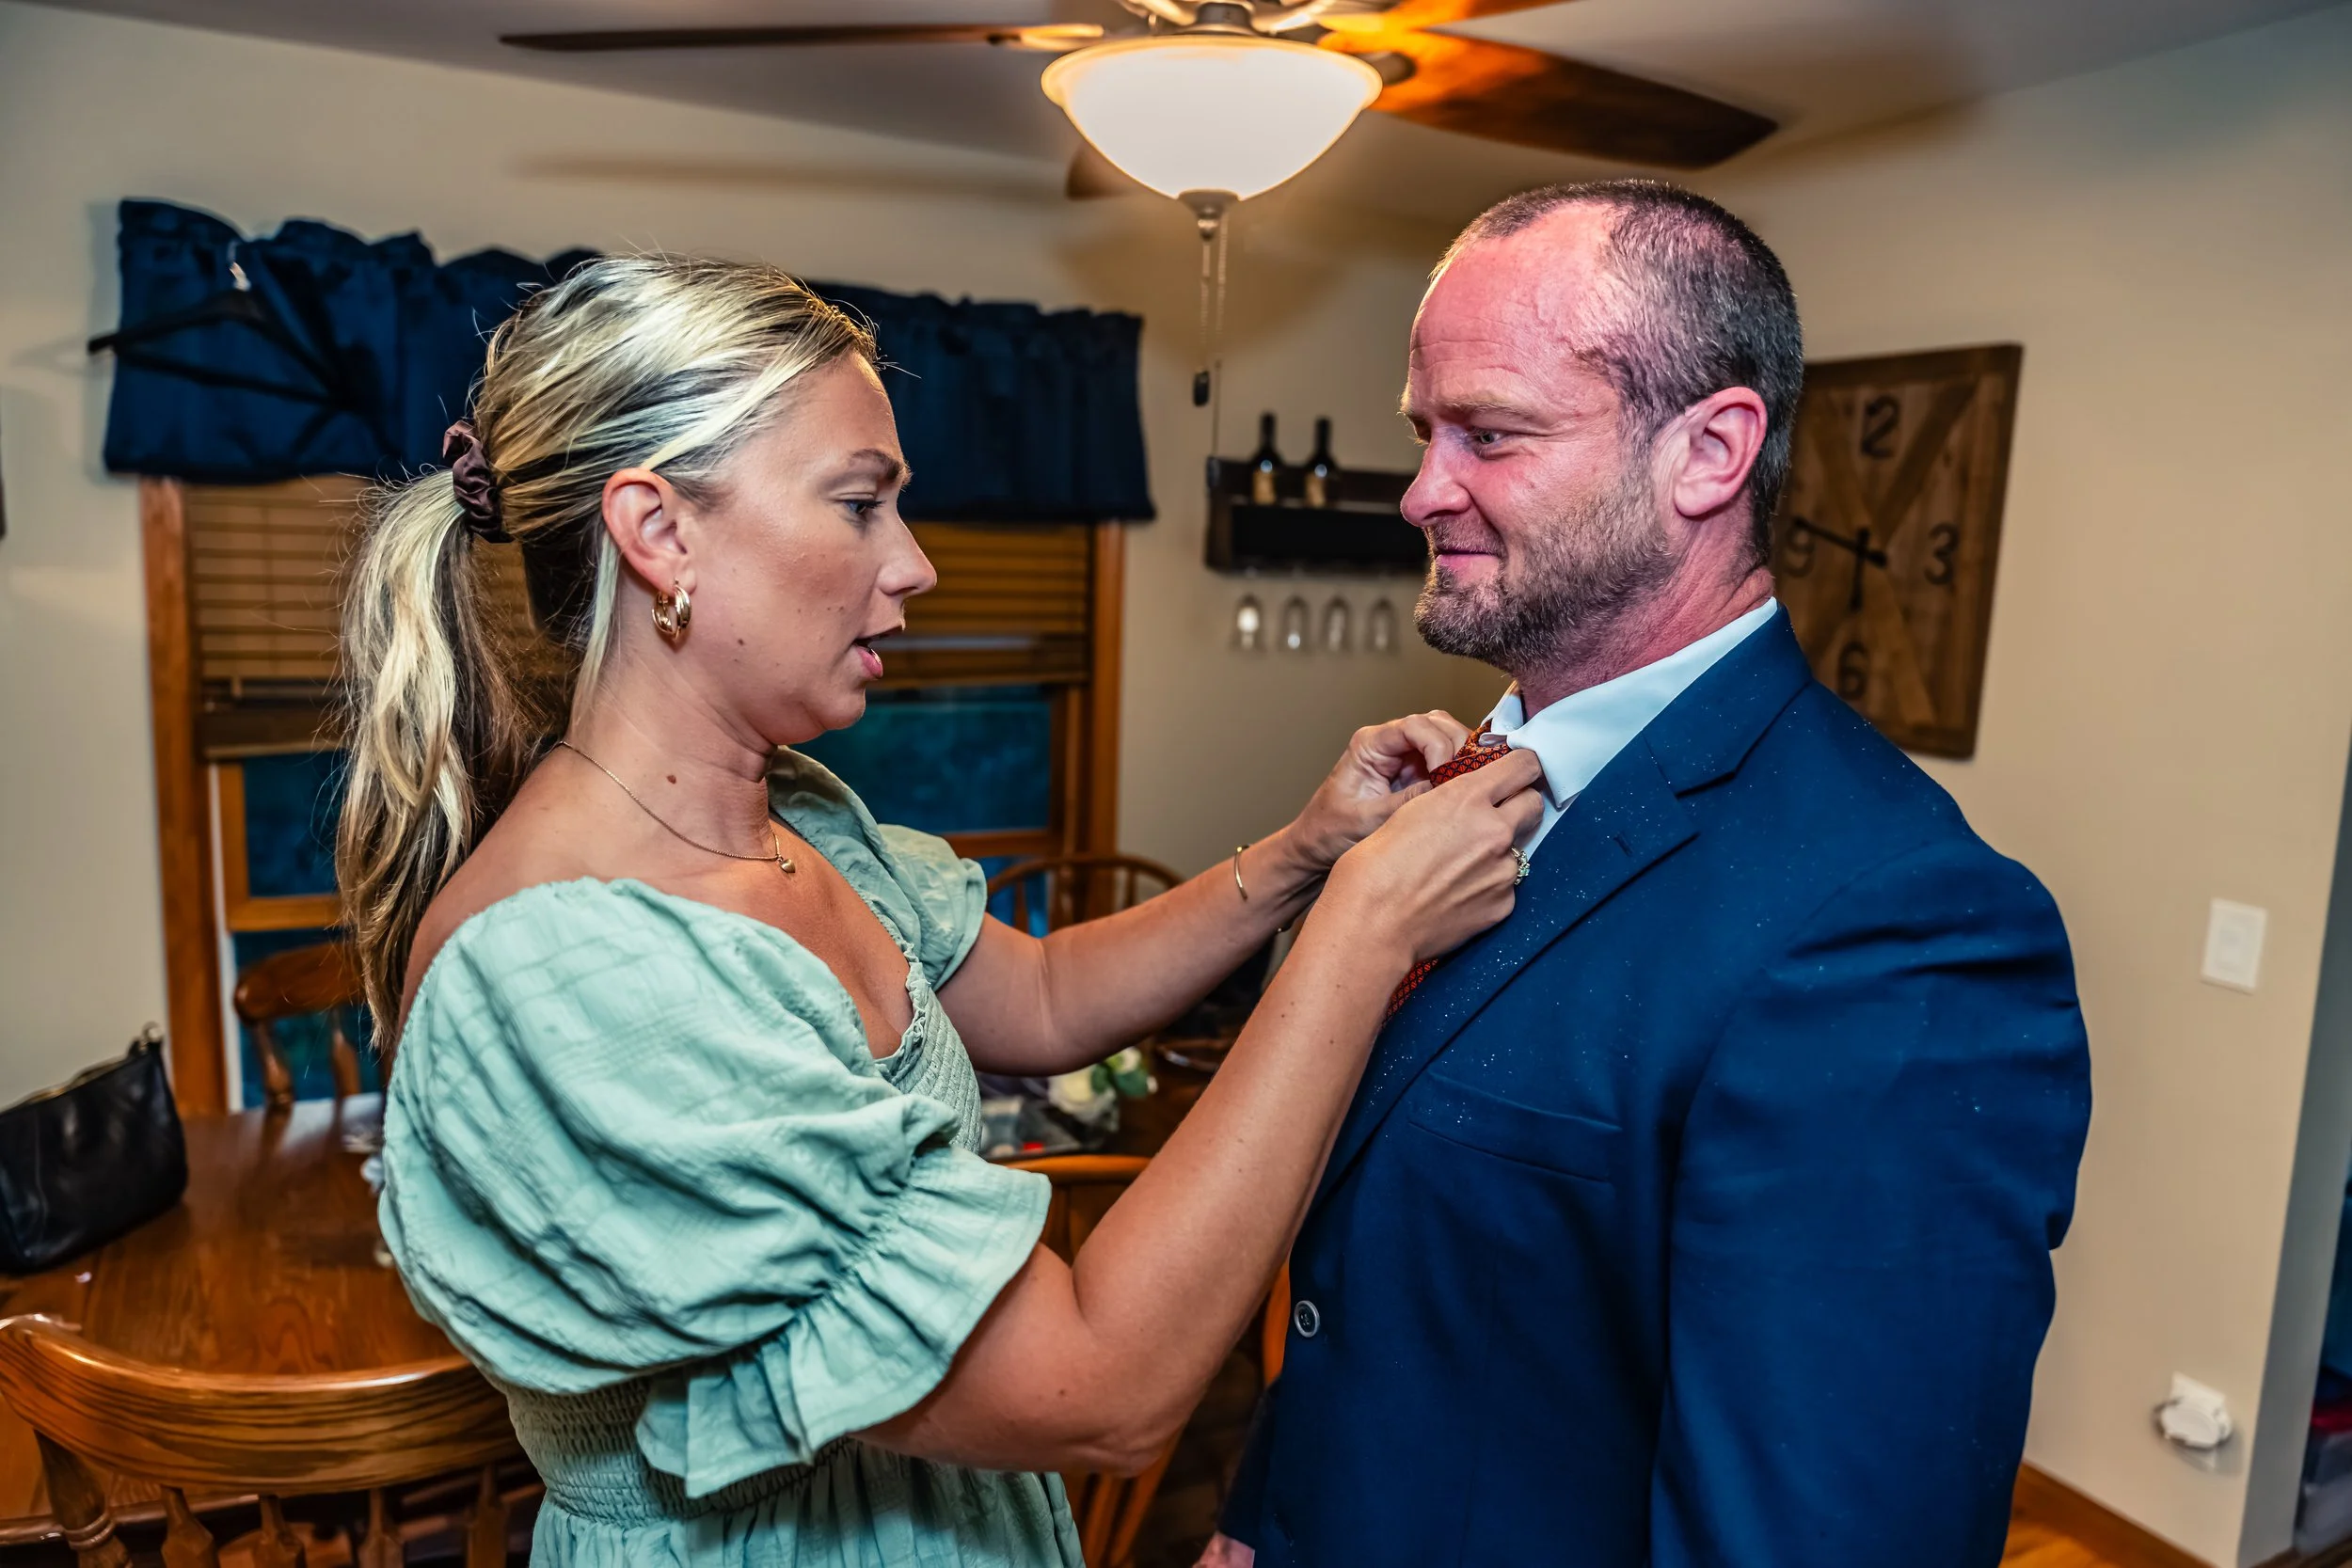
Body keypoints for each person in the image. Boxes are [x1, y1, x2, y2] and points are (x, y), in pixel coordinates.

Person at [341, 254, 1544, 1568]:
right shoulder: (559, 976)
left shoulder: (797, 816)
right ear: (660, 531)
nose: (913, 566)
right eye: (860, 504)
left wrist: (1309, 853)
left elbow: (1042, 995)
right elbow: (1105, 1379)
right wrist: (1364, 932)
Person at [1204, 181, 2093, 1567]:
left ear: (1710, 452)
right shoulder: (1457, 795)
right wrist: (1269, 1516)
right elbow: (1388, 1286)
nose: (1423, 490)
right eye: (1424, 433)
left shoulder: (1898, 932)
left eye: (1489, 434)